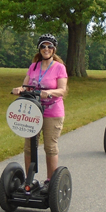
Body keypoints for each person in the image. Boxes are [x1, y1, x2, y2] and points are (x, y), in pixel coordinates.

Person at [12, 33, 68, 192]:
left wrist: (49, 93)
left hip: (52, 111)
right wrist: (19, 89)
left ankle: (51, 182)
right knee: (29, 147)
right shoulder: (34, 66)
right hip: (33, 111)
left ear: (54, 49)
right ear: (39, 48)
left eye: (49, 46)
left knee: (50, 147)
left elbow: (62, 90)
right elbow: (26, 85)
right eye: (43, 46)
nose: (46, 49)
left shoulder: (59, 67)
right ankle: (29, 180)